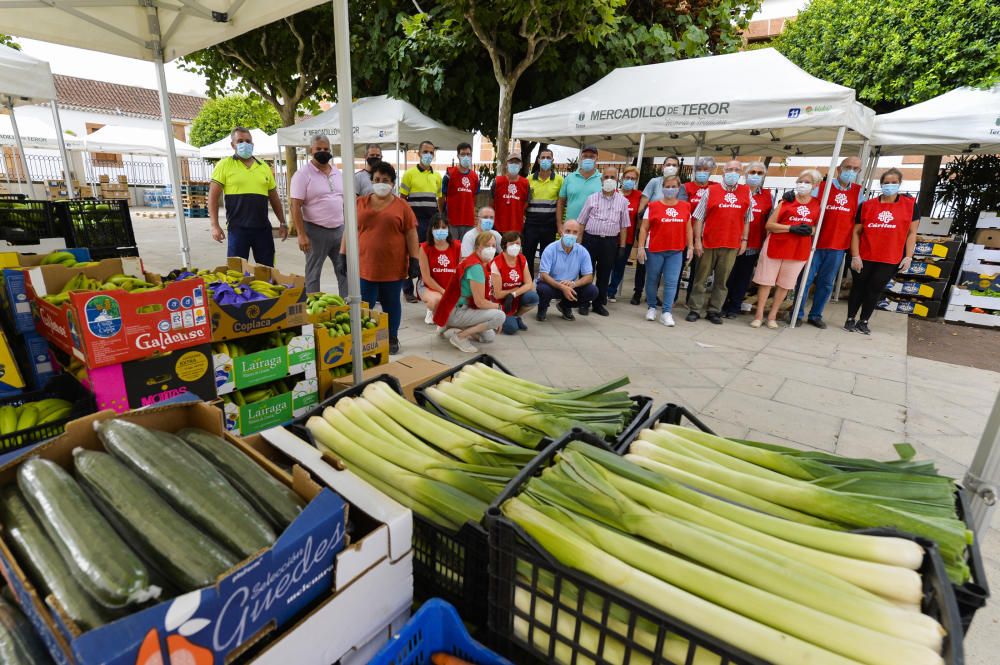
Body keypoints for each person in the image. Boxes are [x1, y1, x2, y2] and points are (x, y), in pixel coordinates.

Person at [343, 162, 419, 355]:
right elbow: (349, 229)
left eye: (385, 180)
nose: (381, 183)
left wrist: (415, 259)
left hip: (393, 268)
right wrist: (342, 254)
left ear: (393, 183)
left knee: (391, 304)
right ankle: (365, 337)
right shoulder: (359, 203)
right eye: (377, 180)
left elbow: (411, 233)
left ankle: (391, 337)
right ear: (371, 181)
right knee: (365, 304)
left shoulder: (402, 206)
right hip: (365, 266)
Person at [845, 168, 919, 335]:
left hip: (890, 257)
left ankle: (864, 321)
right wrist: (855, 255)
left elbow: (912, 233)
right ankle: (850, 318)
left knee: (874, 289)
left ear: (900, 184)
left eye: (894, 183)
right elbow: (856, 232)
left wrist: (908, 256)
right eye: (886, 183)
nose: (889, 186)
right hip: (865, 255)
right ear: (881, 184)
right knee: (858, 287)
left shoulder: (910, 206)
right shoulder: (867, 205)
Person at [795, 156, 864, 328]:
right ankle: (796, 313)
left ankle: (815, 315)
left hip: (838, 246)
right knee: (805, 280)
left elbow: (858, 220)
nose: (851, 171)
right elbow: (808, 206)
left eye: (855, 169)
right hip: (815, 244)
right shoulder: (823, 187)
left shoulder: (858, 191)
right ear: (839, 169)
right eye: (848, 167)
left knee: (826, 284)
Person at [750, 170, 822, 329]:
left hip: (798, 250)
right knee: (766, 282)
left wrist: (811, 230)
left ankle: (772, 316)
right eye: (800, 181)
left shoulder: (817, 204)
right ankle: (759, 314)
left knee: (785, 284)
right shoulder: (786, 200)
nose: (803, 185)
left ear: (815, 185)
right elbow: (769, 225)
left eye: (807, 182)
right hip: (776, 245)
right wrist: (790, 228)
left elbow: (816, 227)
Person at [208, 127, 287, 266]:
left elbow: (274, 198)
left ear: (252, 144)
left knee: (267, 271)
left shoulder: (264, 167)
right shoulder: (224, 165)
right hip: (237, 229)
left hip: (262, 229)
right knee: (236, 272)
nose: (244, 144)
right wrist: (215, 225)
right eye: (240, 141)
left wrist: (282, 222)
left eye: (248, 141)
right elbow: (213, 198)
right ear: (233, 145)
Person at [687, 159, 753, 324]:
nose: (732, 173)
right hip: (709, 243)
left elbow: (747, 219)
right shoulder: (711, 191)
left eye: (736, 170)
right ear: (723, 172)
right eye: (729, 169)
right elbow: (699, 218)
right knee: (700, 279)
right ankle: (695, 309)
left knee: (722, 281)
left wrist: (744, 240)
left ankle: (714, 311)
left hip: (731, 244)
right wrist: (697, 241)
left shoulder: (746, 192)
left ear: (741, 172)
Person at [289, 134, 348, 296]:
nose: (323, 152)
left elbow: (343, 200)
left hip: (339, 230)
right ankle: (314, 311)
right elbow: (295, 206)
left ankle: (348, 308)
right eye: (318, 149)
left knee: (344, 270)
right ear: (310, 151)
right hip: (315, 231)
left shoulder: (337, 172)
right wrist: (301, 234)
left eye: (326, 149)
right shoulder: (302, 175)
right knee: (313, 273)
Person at [433, 232, 507, 353]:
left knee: (489, 337)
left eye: (494, 246)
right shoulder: (476, 267)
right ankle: (459, 337)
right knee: (500, 316)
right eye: (487, 245)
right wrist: (498, 307)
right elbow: (480, 302)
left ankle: (448, 325)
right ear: (478, 247)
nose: (491, 249)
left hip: (451, 308)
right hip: (458, 310)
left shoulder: (474, 260)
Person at [631, 156, 689, 305]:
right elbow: (644, 201)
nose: (671, 167)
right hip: (650, 226)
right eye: (668, 164)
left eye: (674, 165)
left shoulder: (680, 186)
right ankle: (638, 292)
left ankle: (658, 298)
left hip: (669, 231)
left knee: (664, 273)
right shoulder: (654, 182)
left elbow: (682, 208)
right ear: (662, 166)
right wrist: (640, 224)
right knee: (644, 266)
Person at [635, 175, 692, 327]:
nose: (671, 189)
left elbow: (688, 228)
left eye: (674, 186)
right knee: (652, 279)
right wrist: (641, 247)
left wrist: (691, 247)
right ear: (662, 187)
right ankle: (652, 307)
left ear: (678, 188)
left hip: (676, 250)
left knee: (672, 282)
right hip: (655, 249)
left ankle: (666, 312)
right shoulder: (653, 206)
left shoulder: (685, 206)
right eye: (668, 186)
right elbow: (644, 228)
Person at [722, 161, 774, 318]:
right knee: (727, 276)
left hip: (753, 244)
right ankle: (722, 304)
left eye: (759, 173)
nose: (755, 176)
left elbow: (768, 221)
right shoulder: (738, 191)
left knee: (743, 277)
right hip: (732, 242)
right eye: (752, 172)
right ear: (746, 175)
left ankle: (734, 307)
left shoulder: (767, 196)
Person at [576, 166, 630, 316]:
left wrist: (622, 247)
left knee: (605, 274)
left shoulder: (623, 201)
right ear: (601, 179)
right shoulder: (591, 198)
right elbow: (581, 221)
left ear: (617, 180)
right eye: (606, 177)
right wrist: (579, 243)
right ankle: (583, 303)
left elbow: (624, 226)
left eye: (612, 177)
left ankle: (599, 303)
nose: (609, 180)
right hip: (590, 240)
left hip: (610, 242)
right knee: (587, 272)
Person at [400, 140, 442, 302]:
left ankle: (422, 287)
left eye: (431, 152)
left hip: (431, 222)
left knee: (428, 256)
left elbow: (439, 199)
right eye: (425, 151)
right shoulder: (409, 174)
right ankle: (407, 290)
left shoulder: (437, 176)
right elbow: (402, 199)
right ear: (418, 153)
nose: (428, 155)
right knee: (410, 255)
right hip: (414, 222)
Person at [535, 220, 597, 321]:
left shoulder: (582, 251)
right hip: (551, 284)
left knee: (592, 291)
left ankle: (565, 306)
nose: (571, 235)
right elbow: (543, 275)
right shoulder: (550, 249)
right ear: (561, 232)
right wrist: (561, 287)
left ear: (579, 234)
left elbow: (589, 276)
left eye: (575, 232)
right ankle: (542, 308)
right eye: (568, 231)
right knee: (543, 289)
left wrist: (574, 284)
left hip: (570, 285)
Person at [524, 147, 564, 274]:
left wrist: (559, 225)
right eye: (543, 157)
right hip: (531, 225)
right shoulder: (529, 179)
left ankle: (544, 284)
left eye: (548, 158)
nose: (545, 160)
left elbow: (561, 203)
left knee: (547, 257)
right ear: (538, 160)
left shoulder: (559, 180)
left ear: (553, 160)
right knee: (528, 255)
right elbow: (524, 202)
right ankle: (528, 284)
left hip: (549, 225)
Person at [491, 231, 539, 334]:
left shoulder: (522, 259)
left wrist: (513, 294)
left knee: (533, 297)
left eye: (518, 243)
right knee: (511, 329)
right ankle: (504, 318)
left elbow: (529, 284)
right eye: (512, 243)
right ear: (504, 245)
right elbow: (498, 294)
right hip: (499, 303)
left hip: (514, 297)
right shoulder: (497, 263)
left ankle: (516, 316)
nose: (515, 246)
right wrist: (515, 289)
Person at [608, 165, 643, 302]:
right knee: (607, 265)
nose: (630, 180)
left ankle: (611, 291)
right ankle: (602, 289)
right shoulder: (613, 192)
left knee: (619, 267)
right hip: (610, 236)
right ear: (622, 178)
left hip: (627, 238)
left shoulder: (639, 196)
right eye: (627, 177)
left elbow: (639, 217)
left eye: (633, 178)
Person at [418, 214, 462, 325]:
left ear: (448, 229)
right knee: (436, 301)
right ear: (431, 229)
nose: (440, 230)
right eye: (437, 227)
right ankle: (431, 310)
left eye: (444, 227)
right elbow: (426, 278)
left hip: (449, 286)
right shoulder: (424, 248)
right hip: (428, 286)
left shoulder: (456, 246)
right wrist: (443, 291)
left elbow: (460, 272)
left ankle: (442, 311)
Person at [440, 142, 479, 240]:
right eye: (463, 154)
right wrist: (441, 215)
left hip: (469, 222)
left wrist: (474, 214)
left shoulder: (475, 177)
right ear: (458, 156)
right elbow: (441, 197)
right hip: (452, 221)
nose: (466, 156)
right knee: (452, 250)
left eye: (468, 154)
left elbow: (475, 198)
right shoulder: (449, 175)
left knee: (466, 251)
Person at [557, 145, 602, 223]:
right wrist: (560, 225)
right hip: (572, 228)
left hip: (594, 229)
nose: (588, 159)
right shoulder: (569, 178)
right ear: (581, 158)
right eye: (585, 156)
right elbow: (561, 203)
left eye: (592, 156)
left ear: (597, 159)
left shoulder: (602, 179)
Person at [492, 153, 530, 233]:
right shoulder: (498, 182)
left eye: (517, 162)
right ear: (506, 164)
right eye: (511, 162)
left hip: (517, 227)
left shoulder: (525, 183)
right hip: (498, 227)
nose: (514, 164)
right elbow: (491, 203)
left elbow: (526, 202)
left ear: (521, 165)